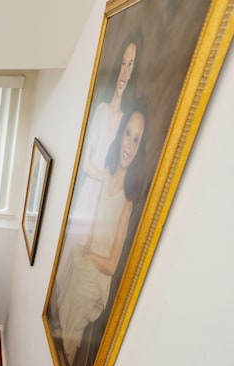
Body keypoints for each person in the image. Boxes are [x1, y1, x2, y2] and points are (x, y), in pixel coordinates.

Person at [55, 99, 148, 366]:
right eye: (127, 134)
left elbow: (111, 264)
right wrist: (85, 249)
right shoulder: (107, 178)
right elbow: (93, 229)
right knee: (71, 256)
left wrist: (90, 254)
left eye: (136, 139)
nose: (129, 143)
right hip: (87, 256)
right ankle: (61, 334)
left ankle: (67, 354)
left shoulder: (127, 202)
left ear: (140, 148)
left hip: (99, 275)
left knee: (79, 288)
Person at [64, 29, 143, 254]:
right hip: (90, 193)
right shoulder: (100, 111)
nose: (124, 72)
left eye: (131, 66)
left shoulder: (127, 124)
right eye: (123, 63)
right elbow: (85, 162)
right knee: (74, 247)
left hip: (105, 203)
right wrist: (103, 176)